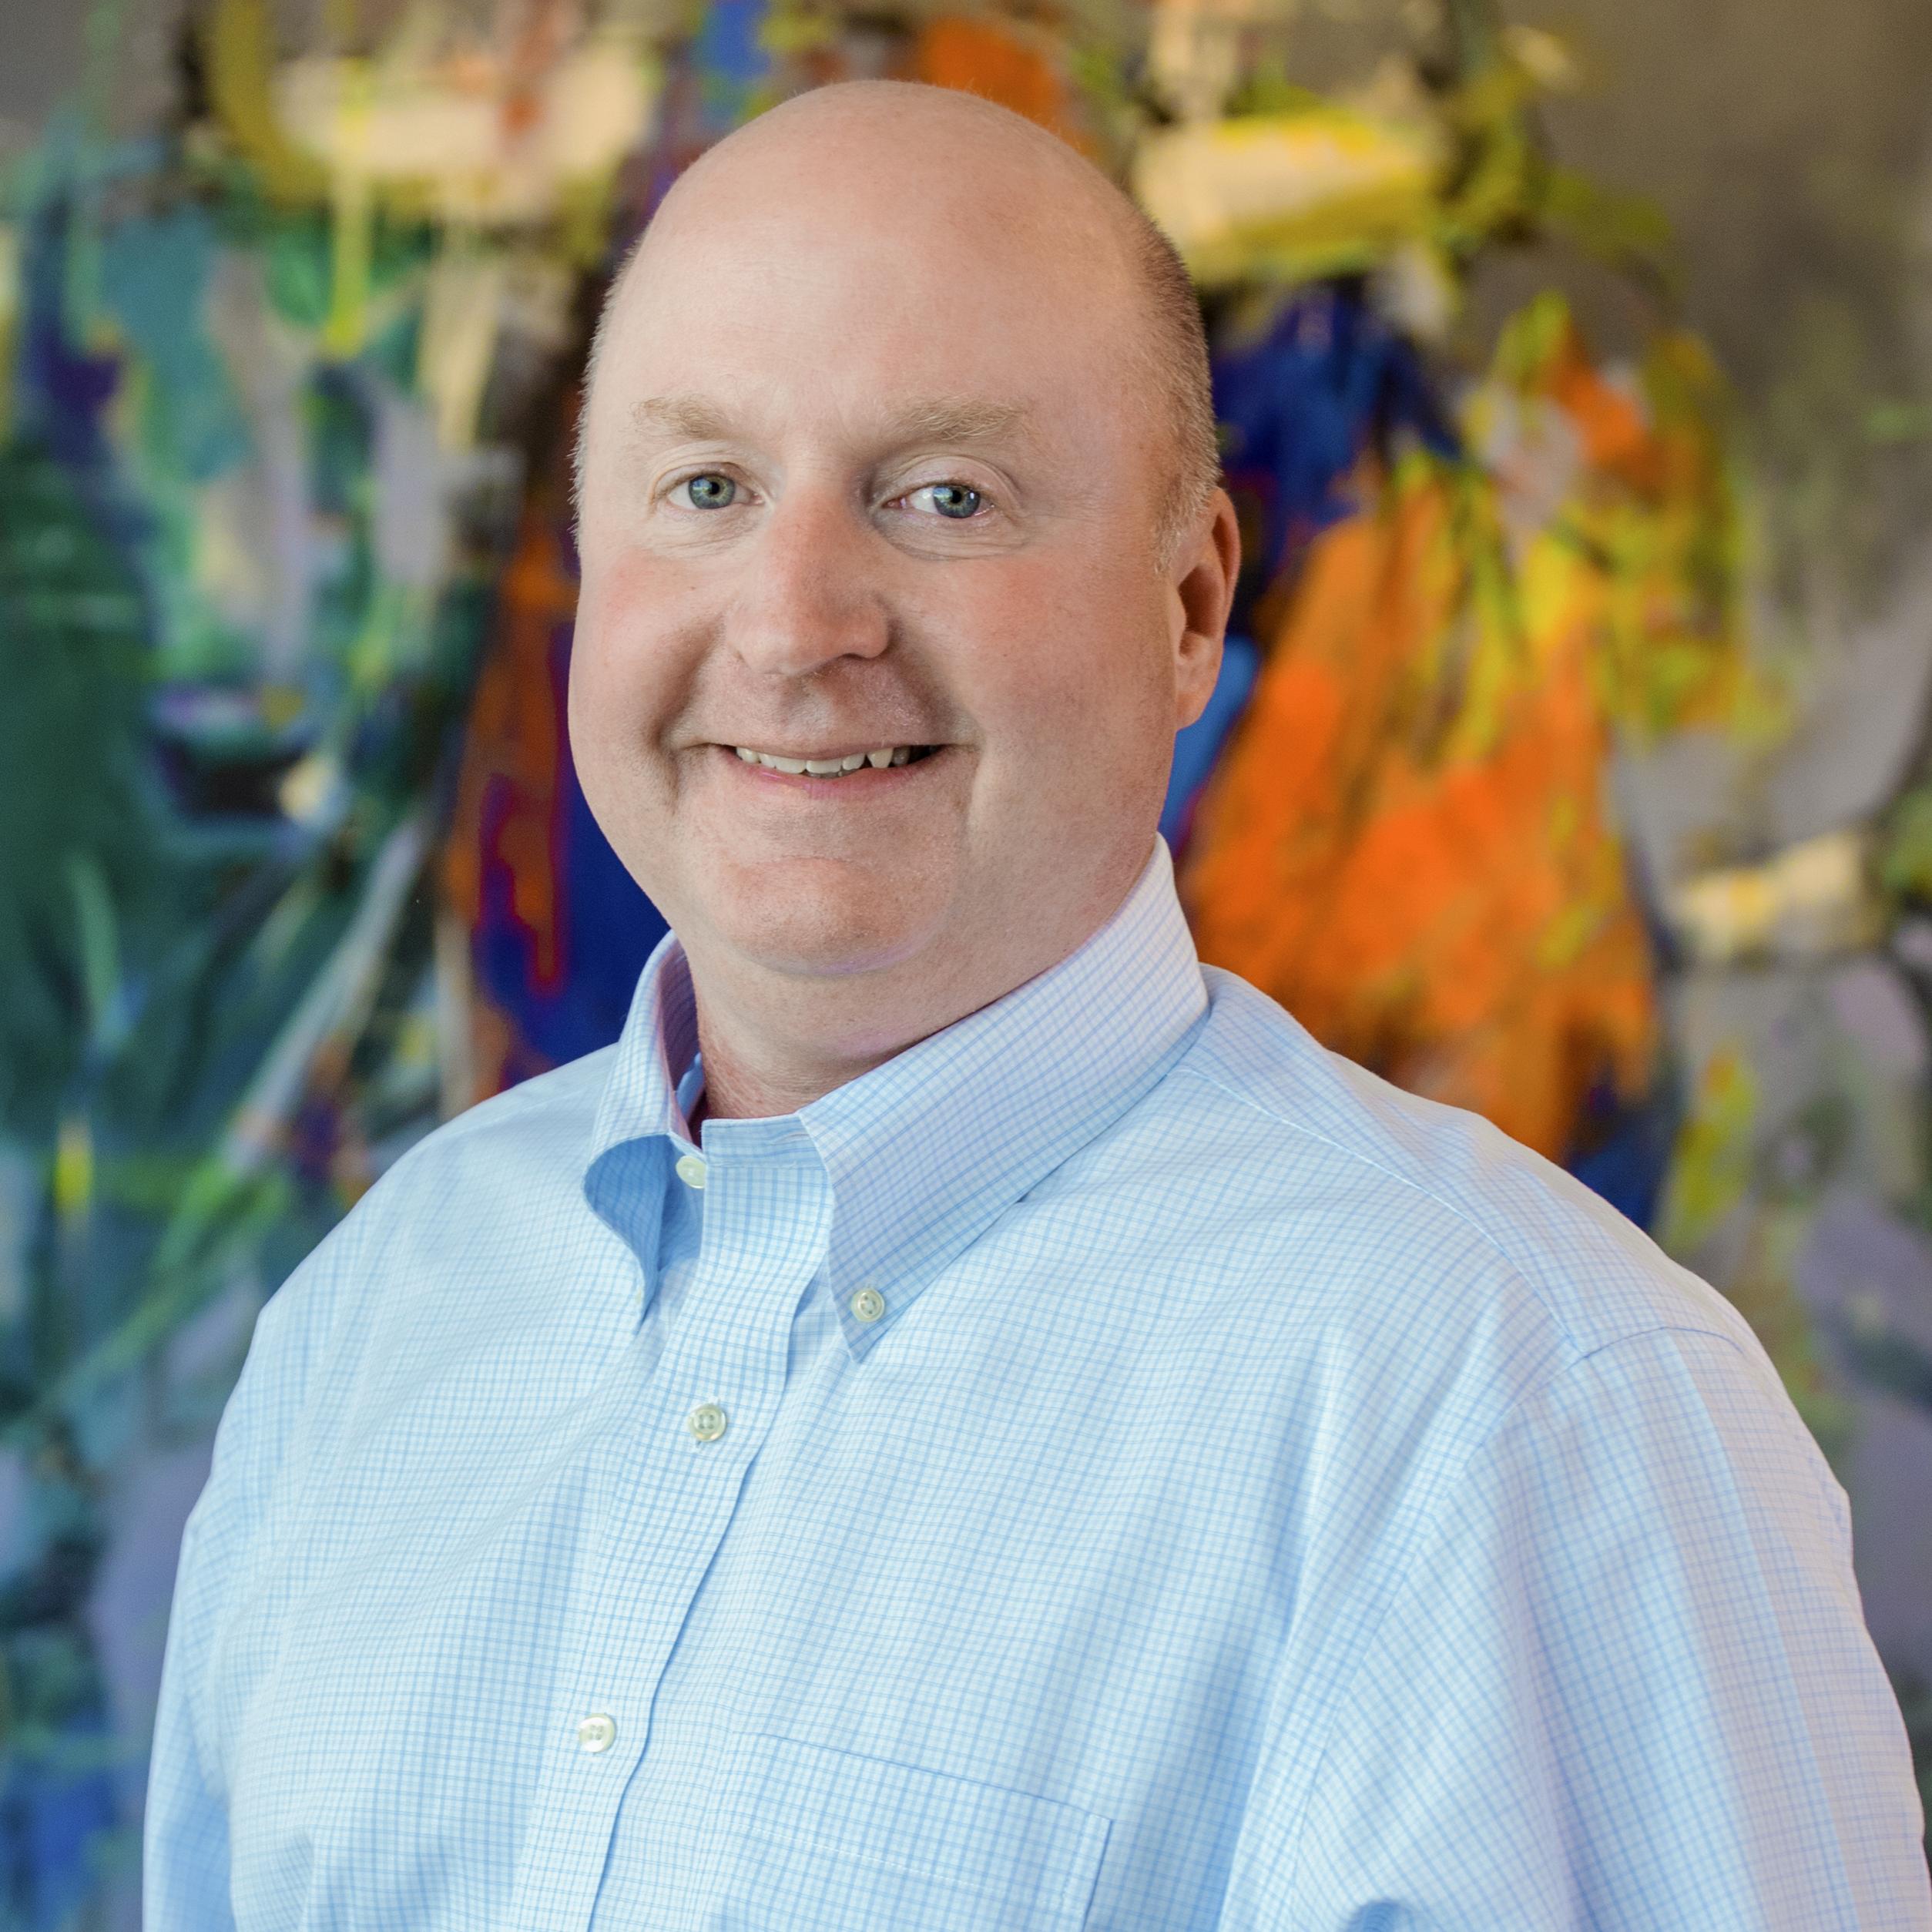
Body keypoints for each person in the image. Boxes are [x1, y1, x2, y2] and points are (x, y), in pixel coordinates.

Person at [145, 79, 1929, 1930]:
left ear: (1191, 605)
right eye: (708, 490)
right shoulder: (376, 1318)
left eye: (945, 497)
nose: (795, 624)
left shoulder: (1531, 1407)